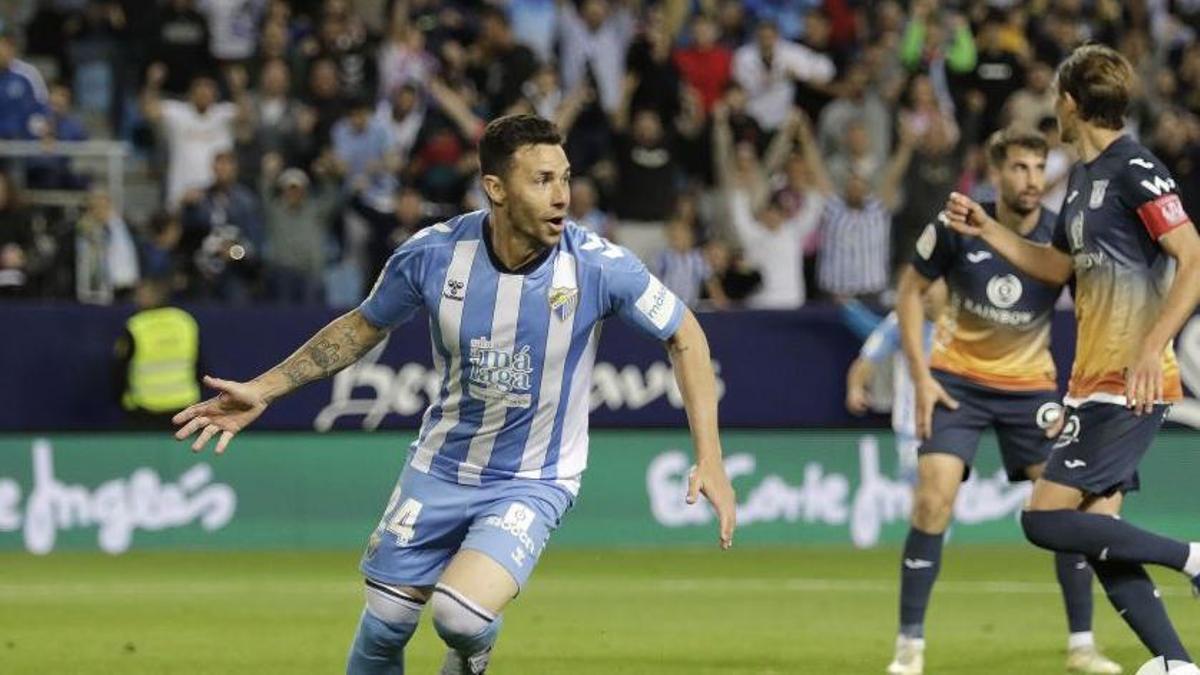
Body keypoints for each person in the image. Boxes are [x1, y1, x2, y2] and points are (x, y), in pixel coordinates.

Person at [171, 113, 736, 675]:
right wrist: (264, 389)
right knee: (384, 623)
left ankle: (473, 654)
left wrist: (709, 457)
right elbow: (362, 327)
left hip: (534, 477)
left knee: (460, 617)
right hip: (440, 465)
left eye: (565, 177)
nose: (562, 195)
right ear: (496, 188)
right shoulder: (432, 254)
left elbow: (686, 334)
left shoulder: (598, 265)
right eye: (542, 180)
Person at [943, 44, 1200, 675]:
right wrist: (989, 230)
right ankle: (1175, 663)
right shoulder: (1083, 180)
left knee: (1044, 519)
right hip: (1094, 380)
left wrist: (1149, 346)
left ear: (1068, 102)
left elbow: (1193, 256)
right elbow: (1058, 268)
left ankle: (1193, 557)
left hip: (1129, 380)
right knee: (1099, 537)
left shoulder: (1136, 167)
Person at [888, 126, 1122, 675]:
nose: (1031, 180)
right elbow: (908, 293)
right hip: (957, 384)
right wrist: (921, 378)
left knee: (1067, 508)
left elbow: (1093, 311)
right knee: (932, 500)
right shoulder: (957, 223)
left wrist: (1082, 391)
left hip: (1030, 391)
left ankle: (1082, 645)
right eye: (1019, 168)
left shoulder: (1061, 235)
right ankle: (909, 647)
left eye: (1040, 169)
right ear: (996, 174)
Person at [116, 278, 202, 428]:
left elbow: (119, 368)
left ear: (151, 297)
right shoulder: (185, 321)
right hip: (184, 406)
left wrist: (121, 398)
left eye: (140, 294)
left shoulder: (136, 325)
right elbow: (200, 363)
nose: (136, 298)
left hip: (144, 409)